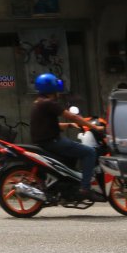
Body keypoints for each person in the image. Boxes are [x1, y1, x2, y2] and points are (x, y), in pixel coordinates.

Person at [28, 72, 105, 202]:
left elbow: (50, 125)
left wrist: (70, 125)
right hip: (52, 141)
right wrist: (95, 127)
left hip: (46, 141)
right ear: (51, 88)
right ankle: (85, 188)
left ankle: (69, 184)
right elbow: (72, 115)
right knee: (90, 152)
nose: (59, 92)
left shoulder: (39, 102)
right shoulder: (49, 103)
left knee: (74, 150)